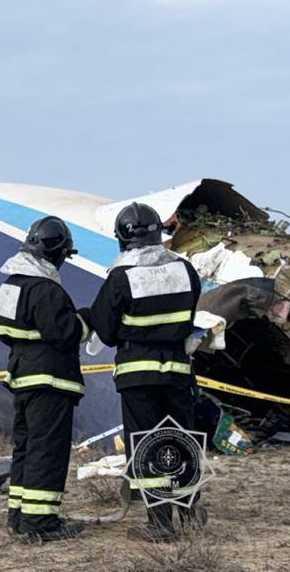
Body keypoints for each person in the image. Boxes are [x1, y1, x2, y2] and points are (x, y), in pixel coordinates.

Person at [87, 202, 205, 543]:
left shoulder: (121, 276)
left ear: (123, 238)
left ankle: (160, 524)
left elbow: (105, 330)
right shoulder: (185, 270)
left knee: (147, 445)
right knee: (182, 440)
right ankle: (191, 509)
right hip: (178, 372)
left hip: (139, 375)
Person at [0, 217, 89, 543]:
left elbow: (2, 330)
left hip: (22, 378)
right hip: (50, 382)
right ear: (58, 253)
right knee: (47, 451)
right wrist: (87, 320)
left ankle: (19, 516)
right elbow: (65, 333)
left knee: (26, 448)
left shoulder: (12, 284)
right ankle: (40, 523)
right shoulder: (47, 290)